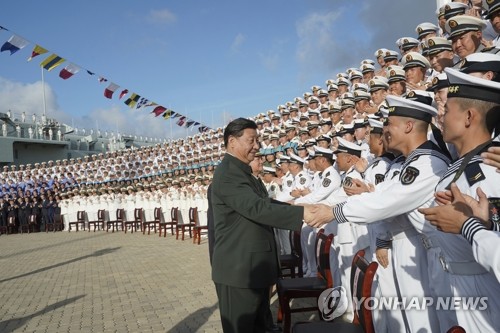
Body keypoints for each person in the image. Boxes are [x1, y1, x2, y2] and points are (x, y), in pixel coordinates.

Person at [210, 118, 316, 333]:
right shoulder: (229, 173)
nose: (257, 146)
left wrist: (297, 205)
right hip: (239, 270)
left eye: (257, 140)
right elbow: (256, 209)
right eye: (252, 140)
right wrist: (303, 213)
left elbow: (264, 203)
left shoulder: (241, 172)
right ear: (232, 141)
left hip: (252, 267)